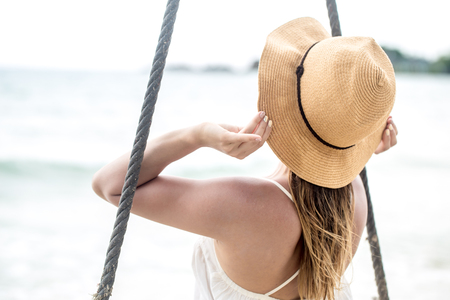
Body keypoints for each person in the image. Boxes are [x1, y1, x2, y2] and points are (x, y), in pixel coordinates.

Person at [92, 17, 398, 300]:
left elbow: (110, 185)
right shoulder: (354, 195)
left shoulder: (245, 205)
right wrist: (355, 150)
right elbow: (328, 179)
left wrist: (196, 136)